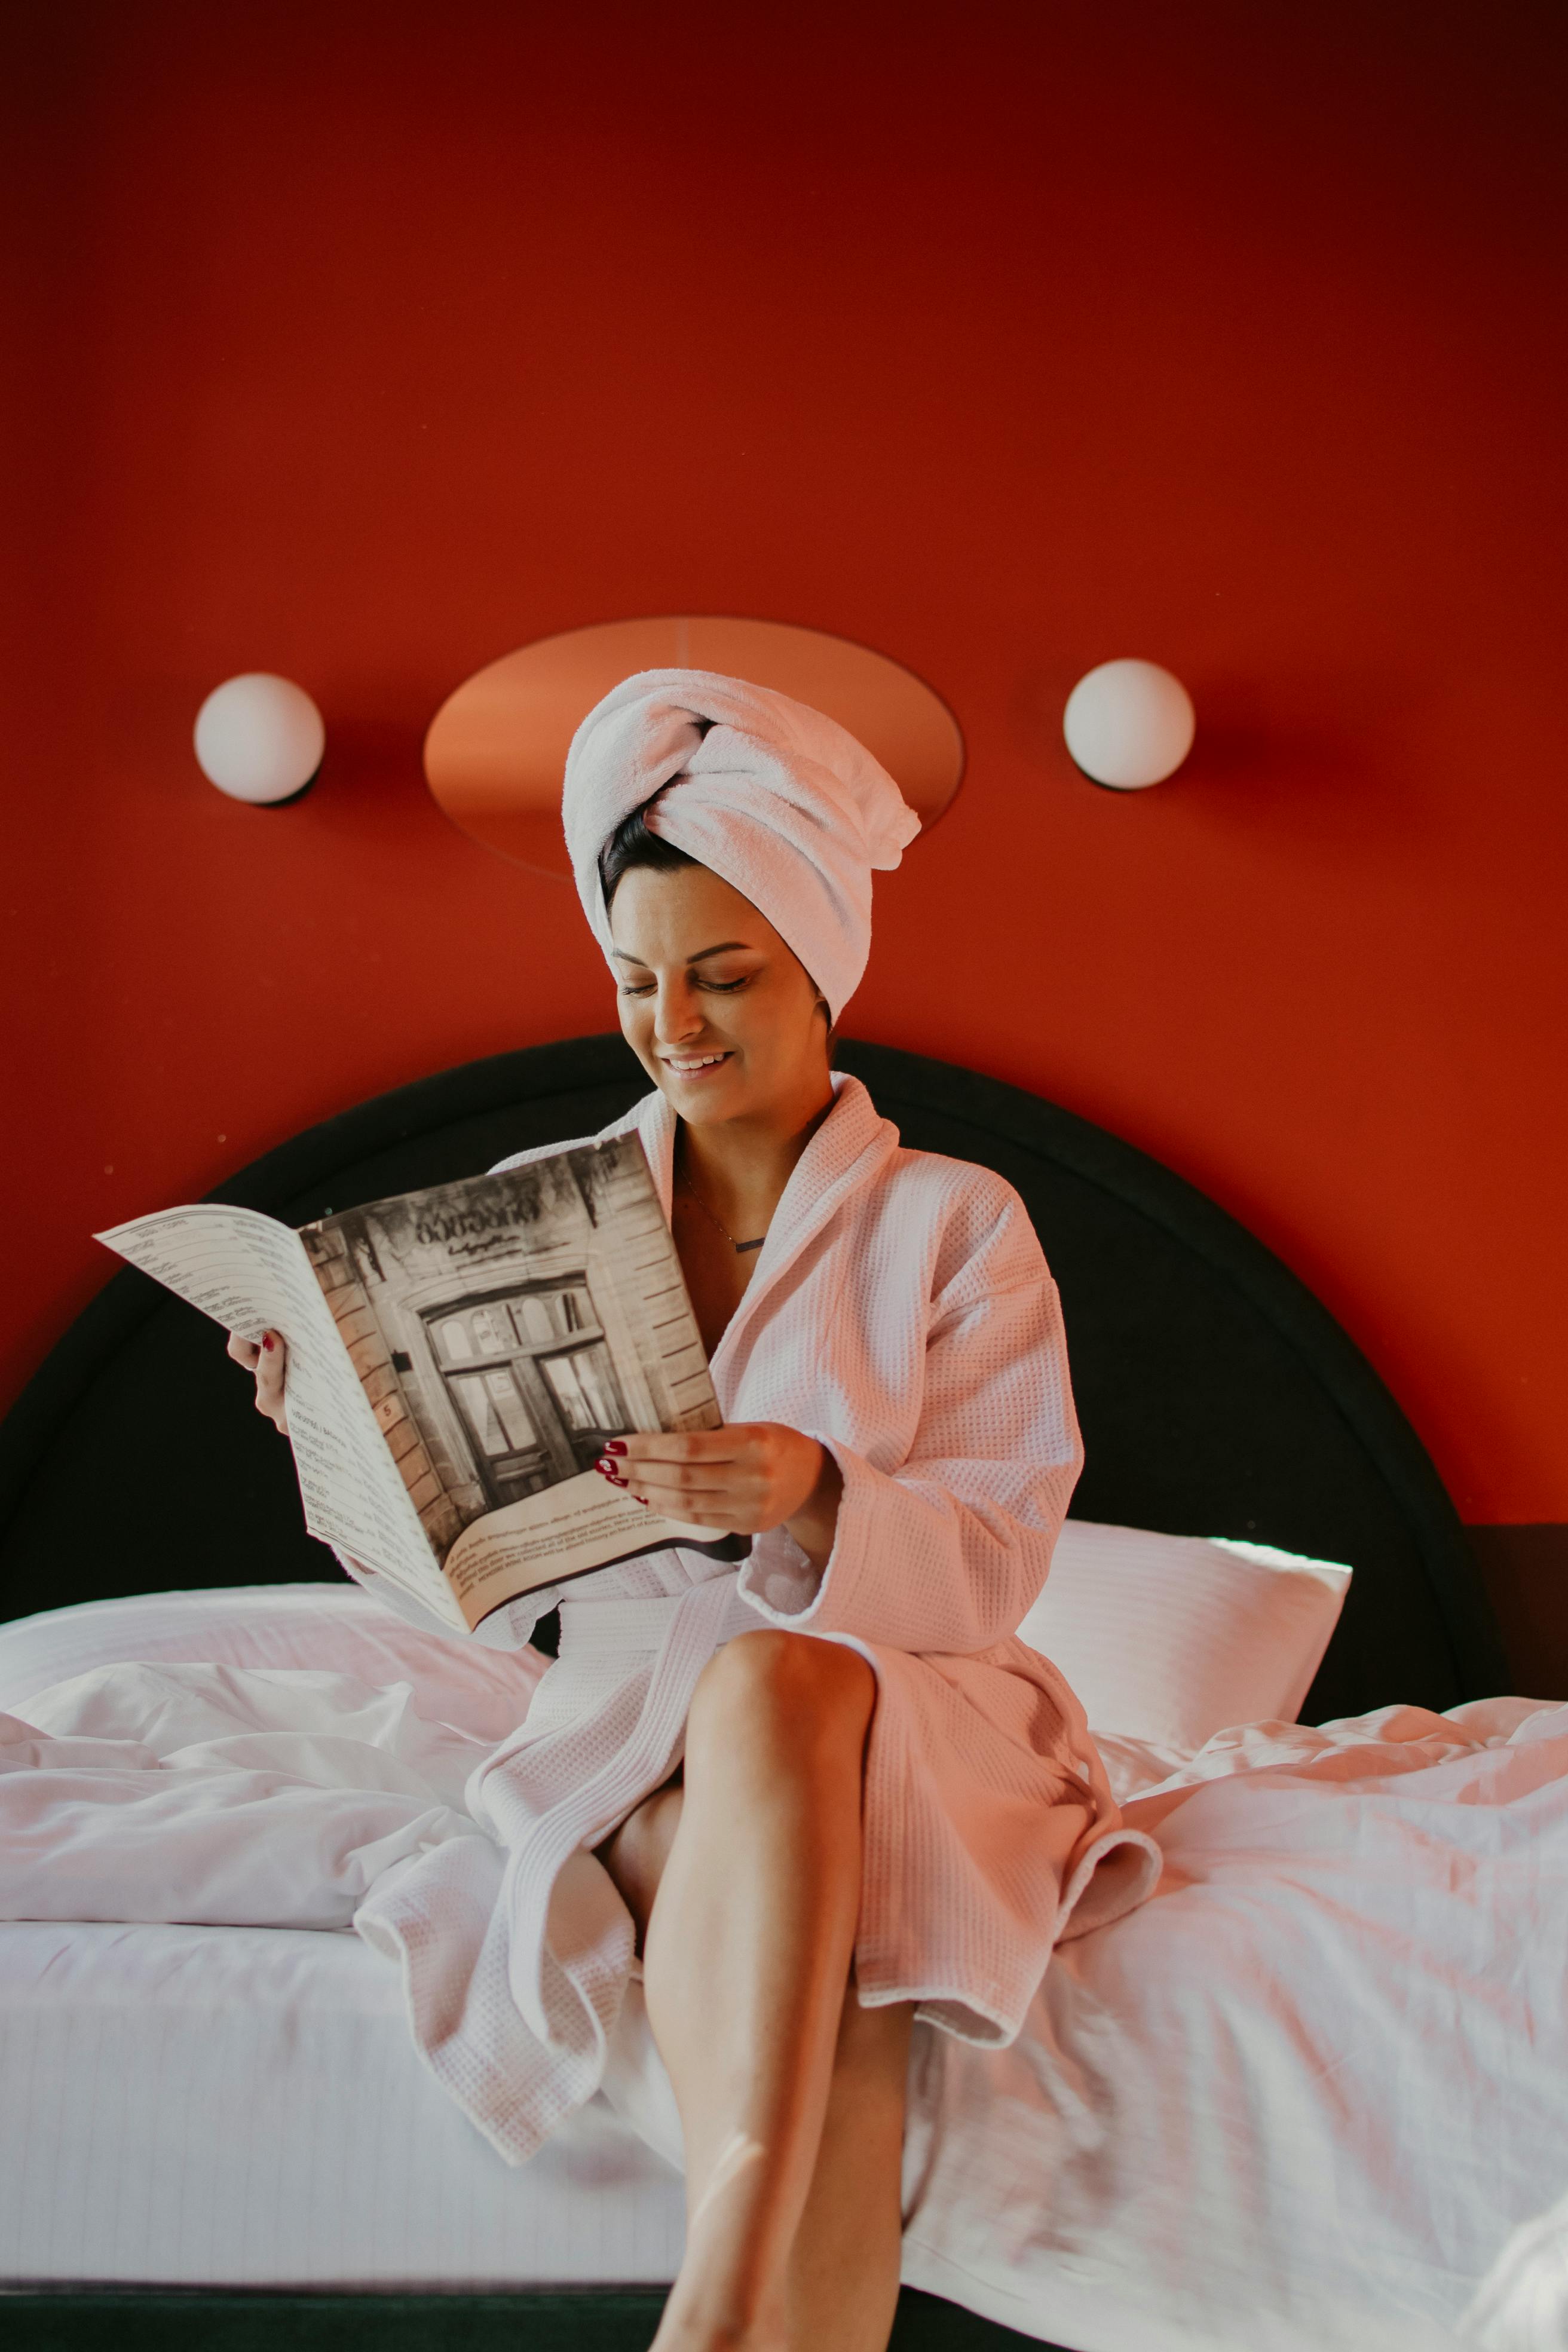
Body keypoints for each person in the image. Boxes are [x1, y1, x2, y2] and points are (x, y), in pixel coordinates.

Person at [228, 670, 1159, 2352]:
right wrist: (341, 1444)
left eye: (725, 975)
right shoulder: (535, 1216)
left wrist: (819, 1495)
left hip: (917, 1708)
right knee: (837, 1947)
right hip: (636, 1735)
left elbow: (1003, 1564)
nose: (676, 1021)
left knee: (783, 1682)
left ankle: (714, 2302)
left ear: (823, 977)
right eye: (637, 982)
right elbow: (476, 1592)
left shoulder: (955, 1227)